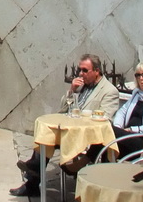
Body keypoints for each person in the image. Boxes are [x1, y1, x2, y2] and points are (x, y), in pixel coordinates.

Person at [12, 54, 120, 197]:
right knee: (45, 137)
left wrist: (84, 116)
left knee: (48, 139)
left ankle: (33, 169)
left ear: (97, 71)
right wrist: (71, 91)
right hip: (70, 130)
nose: (81, 74)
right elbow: (63, 109)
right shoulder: (82, 87)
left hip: (89, 137)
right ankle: (32, 182)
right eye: (80, 70)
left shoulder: (109, 91)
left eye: (85, 70)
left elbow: (106, 118)